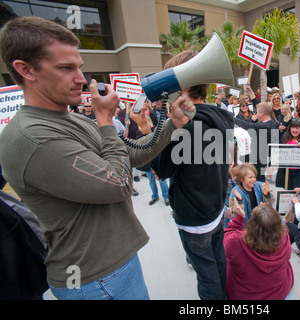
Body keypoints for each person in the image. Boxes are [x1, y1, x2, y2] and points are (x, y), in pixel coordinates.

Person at [0, 16, 195, 300]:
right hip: (94, 279)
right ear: (25, 70)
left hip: (109, 270)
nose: (81, 79)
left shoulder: (66, 118)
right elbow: (118, 183)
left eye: (79, 67)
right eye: (66, 68)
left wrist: (170, 125)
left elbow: (131, 155)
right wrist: (104, 120)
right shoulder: (33, 137)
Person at [151, 51, 234, 300]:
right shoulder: (222, 116)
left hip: (195, 219)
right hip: (216, 209)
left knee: (206, 274)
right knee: (218, 262)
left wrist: (161, 128)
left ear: (183, 87)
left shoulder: (186, 127)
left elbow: (160, 169)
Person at [224, 198, 293, 300]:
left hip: (243, 296)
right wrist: (264, 212)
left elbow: (225, 239)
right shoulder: (284, 236)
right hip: (278, 292)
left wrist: (239, 219)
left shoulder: (236, 241)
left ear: (252, 225)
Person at [234, 102, 279, 182]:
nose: (256, 114)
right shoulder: (272, 122)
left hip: (261, 159)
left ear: (262, 113)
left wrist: (233, 118)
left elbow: (248, 126)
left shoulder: (266, 126)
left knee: (258, 180)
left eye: (257, 112)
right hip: (260, 157)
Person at [275, 118, 300, 189]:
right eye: (293, 127)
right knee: (287, 191)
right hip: (287, 171)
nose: (295, 130)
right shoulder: (285, 137)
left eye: (297, 128)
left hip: (299, 173)